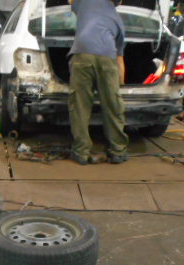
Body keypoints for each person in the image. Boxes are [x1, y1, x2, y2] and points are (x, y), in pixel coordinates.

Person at [68, 0, 129, 165]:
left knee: (80, 105)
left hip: (83, 54)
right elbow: (120, 60)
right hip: (108, 58)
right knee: (112, 105)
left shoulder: (84, 2)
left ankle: (81, 152)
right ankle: (118, 151)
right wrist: (119, 86)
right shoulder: (118, 20)